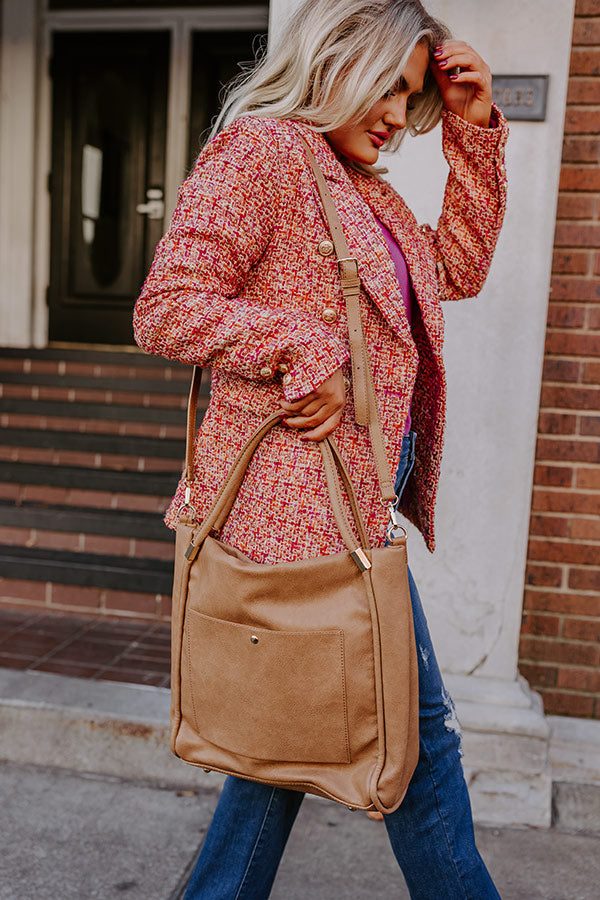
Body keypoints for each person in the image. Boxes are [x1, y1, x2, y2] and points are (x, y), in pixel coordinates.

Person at [134, 0, 508, 896]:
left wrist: (476, 128)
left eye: (409, 97)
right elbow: (166, 305)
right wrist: (304, 348)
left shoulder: (364, 189)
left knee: (282, 749)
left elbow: (457, 266)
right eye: (388, 86)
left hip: (349, 508)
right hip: (297, 513)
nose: (395, 115)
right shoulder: (265, 152)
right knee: (417, 735)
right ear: (337, 57)